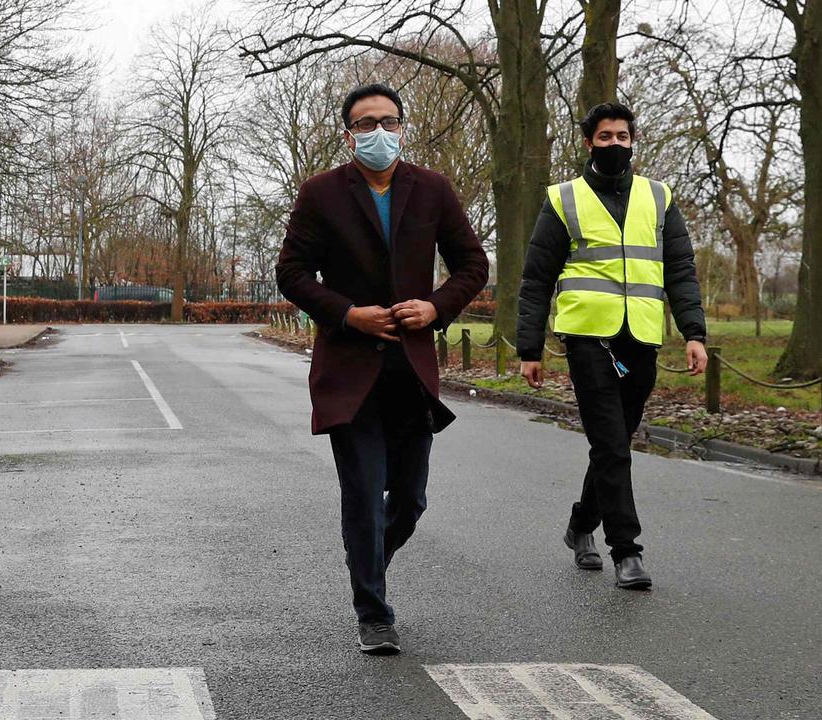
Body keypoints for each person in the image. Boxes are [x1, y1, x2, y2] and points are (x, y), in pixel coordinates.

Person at [276, 83, 489, 654]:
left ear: (402, 127)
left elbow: (473, 263)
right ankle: (373, 610)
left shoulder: (433, 189)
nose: (379, 132)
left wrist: (437, 307)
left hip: (412, 372)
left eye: (388, 121)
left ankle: (367, 559)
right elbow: (292, 274)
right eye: (366, 123)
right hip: (349, 372)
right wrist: (348, 314)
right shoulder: (321, 194)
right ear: (349, 134)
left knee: (410, 500)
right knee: (365, 496)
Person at [517, 102, 707, 590]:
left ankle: (581, 525)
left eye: (623, 136)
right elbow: (537, 278)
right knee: (609, 441)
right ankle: (628, 550)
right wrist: (529, 348)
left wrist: (694, 333)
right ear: (588, 143)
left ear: (633, 141)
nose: (616, 144)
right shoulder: (564, 199)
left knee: (615, 442)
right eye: (606, 137)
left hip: (641, 335)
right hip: (588, 337)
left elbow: (680, 270)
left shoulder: (659, 197)